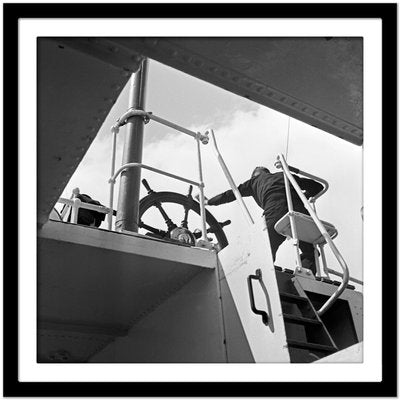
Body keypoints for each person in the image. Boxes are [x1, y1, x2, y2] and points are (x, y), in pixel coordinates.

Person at [205, 166, 324, 273]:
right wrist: (304, 196)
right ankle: (307, 275)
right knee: (310, 252)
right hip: (301, 215)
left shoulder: (253, 182)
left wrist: (209, 202)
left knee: (266, 250)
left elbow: (231, 194)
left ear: (254, 176)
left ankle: (267, 277)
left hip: (275, 214)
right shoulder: (285, 175)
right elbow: (318, 187)